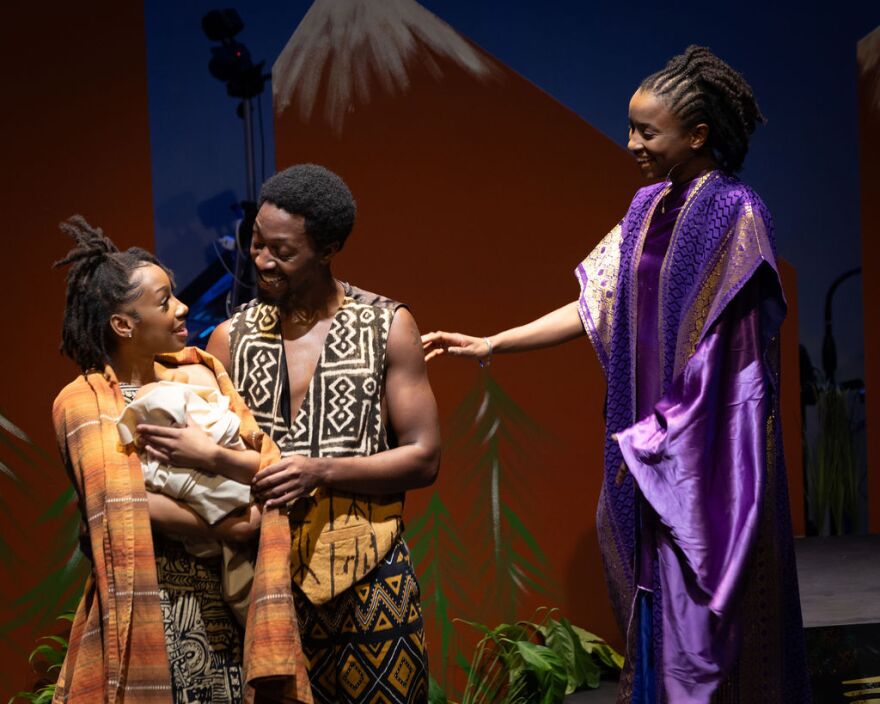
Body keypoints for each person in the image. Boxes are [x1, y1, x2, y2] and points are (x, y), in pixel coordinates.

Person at [422, 46, 811, 703]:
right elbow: (592, 303)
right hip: (644, 445)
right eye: (629, 126)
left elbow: (734, 360)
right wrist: (493, 342)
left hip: (702, 459)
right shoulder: (643, 212)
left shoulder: (737, 215)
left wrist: (669, 441)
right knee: (648, 602)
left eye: (646, 131)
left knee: (712, 617)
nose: (631, 142)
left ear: (697, 134)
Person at [207, 163, 441, 704]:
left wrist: (321, 470)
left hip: (373, 583)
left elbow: (425, 458)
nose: (262, 260)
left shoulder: (387, 325)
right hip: (262, 587)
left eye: (282, 251)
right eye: (256, 243)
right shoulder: (229, 339)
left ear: (329, 247)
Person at [51, 217, 311, 703]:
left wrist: (211, 460)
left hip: (229, 598)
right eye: (164, 301)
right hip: (153, 597)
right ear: (124, 324)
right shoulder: (85, 401)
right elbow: (119, 499)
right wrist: (225, 526)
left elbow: (263, 461)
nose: (182, 307)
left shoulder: (201, 373)